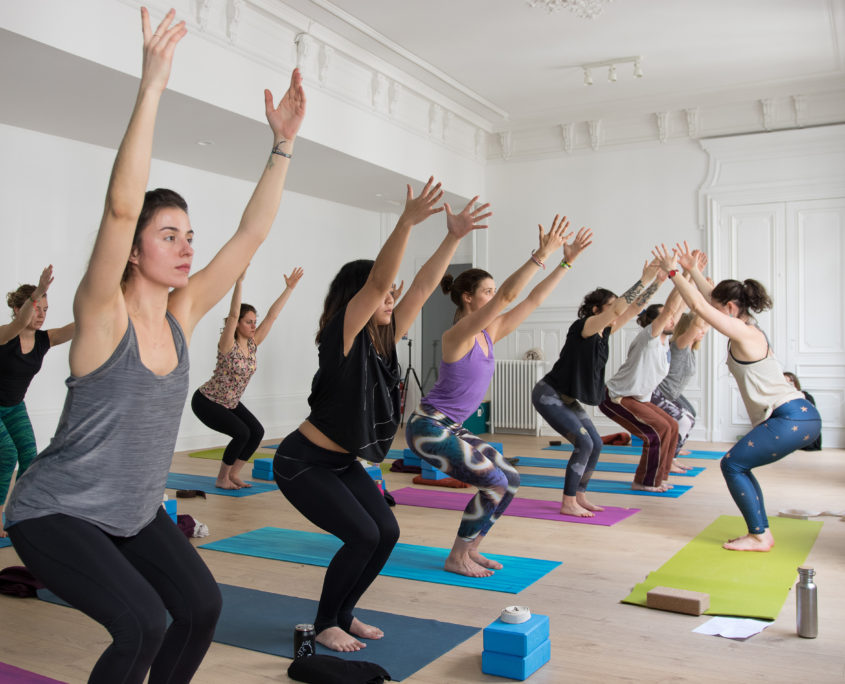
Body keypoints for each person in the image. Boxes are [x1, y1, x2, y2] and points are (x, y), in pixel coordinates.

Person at [5, 8, 306, 682]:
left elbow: (250, 236)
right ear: (135, 250)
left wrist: (281, 146)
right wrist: (152, 87)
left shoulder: (184, 310)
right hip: (56, 511)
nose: (186, 245)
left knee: (201, 607)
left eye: (188, 234)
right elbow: (118, 207)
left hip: (133, 512)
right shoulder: (100, 312)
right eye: (168, 234)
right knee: (140, 621)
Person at [273, 182, 490, 652]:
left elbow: (423, 286)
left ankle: (344, 614)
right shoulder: (343, 335)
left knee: (386, 532)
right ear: (360, 299)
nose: (390, 298)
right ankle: (325, 620)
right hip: (303, 462)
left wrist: (452, 237)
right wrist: (407, 222)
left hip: (341, 462)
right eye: (382, 293)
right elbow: (376, 285)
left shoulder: (385, 338)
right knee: (361, 534)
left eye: (391, 293)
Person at [407, 217, 592, 575]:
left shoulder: (489, 332)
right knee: (492, 482)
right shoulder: (457, 335)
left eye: (493, 291)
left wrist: (565, 262)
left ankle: (471, 547)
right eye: (487, 292)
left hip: (452, 428)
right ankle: (455, 557)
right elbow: (510, 294)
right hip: (429, 428)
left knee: (510, 479)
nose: (495, 297)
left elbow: (534, 298)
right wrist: (541, 254)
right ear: (468, 298)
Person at [652, 242, 821, 551]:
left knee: (732, 464)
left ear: (731, 308)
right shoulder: (745, 325)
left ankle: (759, 535)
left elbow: (704, 308)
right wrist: (693, 272)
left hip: (790, 416)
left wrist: (674, 272)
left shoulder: (743, 333)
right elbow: (709, 299)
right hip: (799, 414)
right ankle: (760, 533)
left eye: (720, 311)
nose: (710, 319)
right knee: (738, 464)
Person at [532, 258, 668, 515]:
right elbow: (619, 310)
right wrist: (644, 279)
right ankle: (568, 501)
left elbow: (632, 308)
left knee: (595, 442)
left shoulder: (605, 331)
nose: (616, 310)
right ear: (596, 310)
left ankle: (580, 495)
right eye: (610, 306)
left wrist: (658, 282)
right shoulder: (584, 327)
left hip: (568, 397)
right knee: (583, 444)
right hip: (548, 393)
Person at [191, 265, 303, 489]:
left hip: (230, 403)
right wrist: (239, 282)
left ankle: (233, 474)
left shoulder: (253, 344)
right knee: (241, 433)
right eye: (248, 322)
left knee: (257, 432)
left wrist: (289, 289)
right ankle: (221, 478)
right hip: (207, 402)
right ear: (237, 324)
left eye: (254, 321)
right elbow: (233, 314)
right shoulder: (227, 344)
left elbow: (273, 315)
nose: (253, 325)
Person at [0, 266, 74, 536]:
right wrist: (40, 290)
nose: (41, 314)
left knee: (30, 457)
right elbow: (18, 325)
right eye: (36, 308)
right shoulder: (4, 334)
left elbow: (76, 328)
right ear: (21, 310)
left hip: (14, 407)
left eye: (45, 309)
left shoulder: (45, 340)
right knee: (7, 454)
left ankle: (18, 512)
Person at [598, 285, 686, 492]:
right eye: (667, 317)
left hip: (637, 398)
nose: (672, 319)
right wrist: (676, 277)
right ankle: (643, 482)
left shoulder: (664, 342)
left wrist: (688, 278)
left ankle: (659, 477)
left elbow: (678, 309)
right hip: (616, 397)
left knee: (672, 425)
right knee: (657, 432)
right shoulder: (650, 337)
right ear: (656, 321)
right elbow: (671, 309)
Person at [650, 311, 709, 467]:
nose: (703, 332)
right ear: (688, 329)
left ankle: (675, 449)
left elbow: (705, 323)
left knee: (691, 414)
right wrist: (702, 303)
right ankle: (670, 460)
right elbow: (696, 325)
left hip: (672, 394)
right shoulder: (679, 346)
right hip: (659, 392)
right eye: (700, 329)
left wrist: (712, 305)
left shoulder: (690, 349)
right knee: (685, 420)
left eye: (704, 329)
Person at [783, 372, 822, 451]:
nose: (788, 385)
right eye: (785, 383)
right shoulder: (779, 399)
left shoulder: (806, 396)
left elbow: (811, 416)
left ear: (795, 384)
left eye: (790, 383)